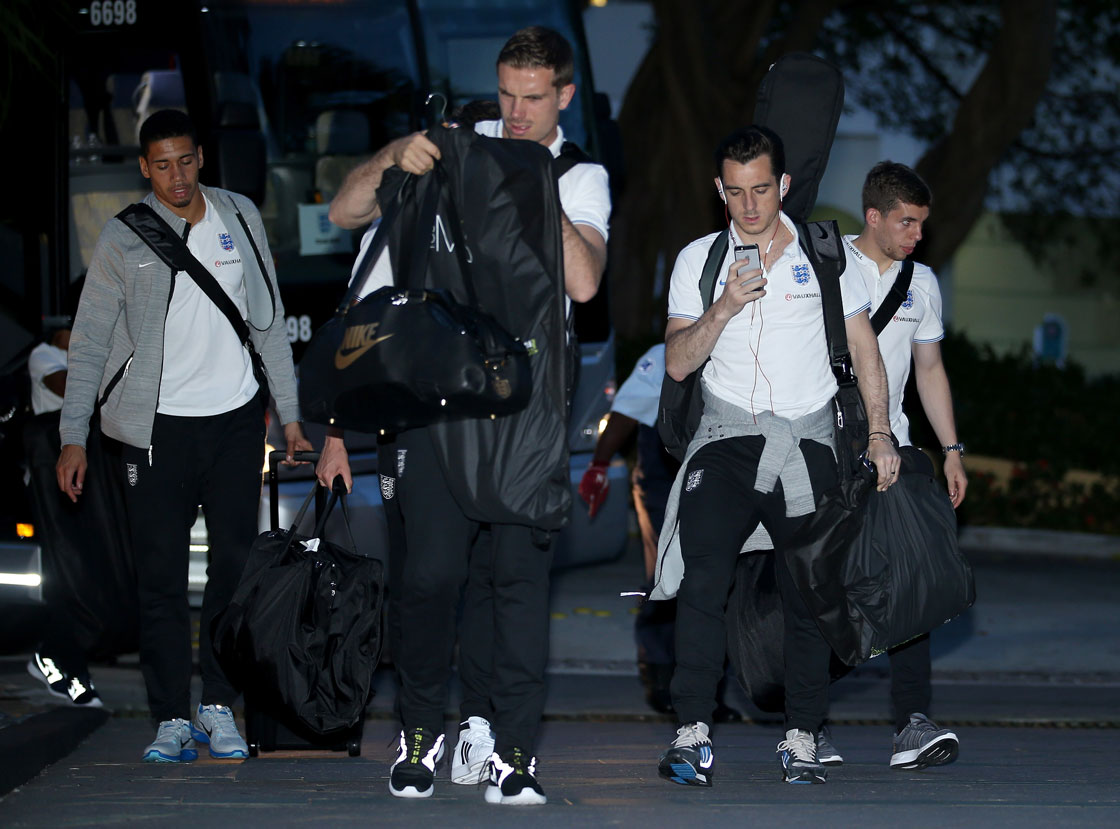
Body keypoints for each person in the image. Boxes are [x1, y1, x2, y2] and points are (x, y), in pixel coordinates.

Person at [319, 26, 609, 804]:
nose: (515, 113)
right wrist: (397, 155)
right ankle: (417, 736)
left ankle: (513, 753)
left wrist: (532, 180)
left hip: (522, 412)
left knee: (516, 582)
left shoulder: (579, 174)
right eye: (507, 95)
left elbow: (583, 283)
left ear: (565, 97)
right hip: (434, 401)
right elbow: (345, 210)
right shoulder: (449, 146)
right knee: (432, 576)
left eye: (534, 99)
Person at [55, 110, 311, 763]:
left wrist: (291, 416)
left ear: (201, 158)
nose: (176, 175)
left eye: (185, 161)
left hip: (233, 421)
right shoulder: (124, 237)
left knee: (232, 566)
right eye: (162, 164)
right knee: (162, 579)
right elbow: (87, 344)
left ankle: (219, 704)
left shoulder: (240, 216)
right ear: (144, 167)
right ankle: (171, 715)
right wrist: (73, 435)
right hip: (154, 430)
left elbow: (269, 323)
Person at [650, 125, 899, 787]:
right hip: (725, 441)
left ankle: (802, 734)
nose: (750, 205)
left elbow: (864, 348)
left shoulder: (826, 255)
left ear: (783, 185)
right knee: (703, 582)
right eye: (736, 192)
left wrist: (880, 432)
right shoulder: (698, 261)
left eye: (762, 189)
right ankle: (692, 730)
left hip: (806, 442)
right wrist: (725, 305)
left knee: (807, 590)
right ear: (719, 191)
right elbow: (677, 362)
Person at [824, 160, 966, 771]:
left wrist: (952, 449)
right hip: (823, 448)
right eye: (906, 222)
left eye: (922, 224)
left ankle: (913, 722)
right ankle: (807, 721)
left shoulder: (923, 282)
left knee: (911, 579)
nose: (916, 234)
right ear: (874, 216)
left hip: (895, 449)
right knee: (826, 587)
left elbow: (929, 369)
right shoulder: (827, 265)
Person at [578, 344, 740, 721]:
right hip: (661, 480)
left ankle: (709, 692)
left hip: (720, 477)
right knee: (664, 581)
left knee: (718, 585)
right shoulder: (666, 353)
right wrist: (599, 465)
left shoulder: (741, 342)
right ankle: (662, 681)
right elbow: (626, 412)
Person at [24, 313, 103, 708]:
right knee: (63, 574)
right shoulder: (43, 356)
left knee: (83, 572)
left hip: (82, 480)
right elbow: (68, 385)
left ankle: (69, 661)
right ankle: (61, 665)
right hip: (48, 480)